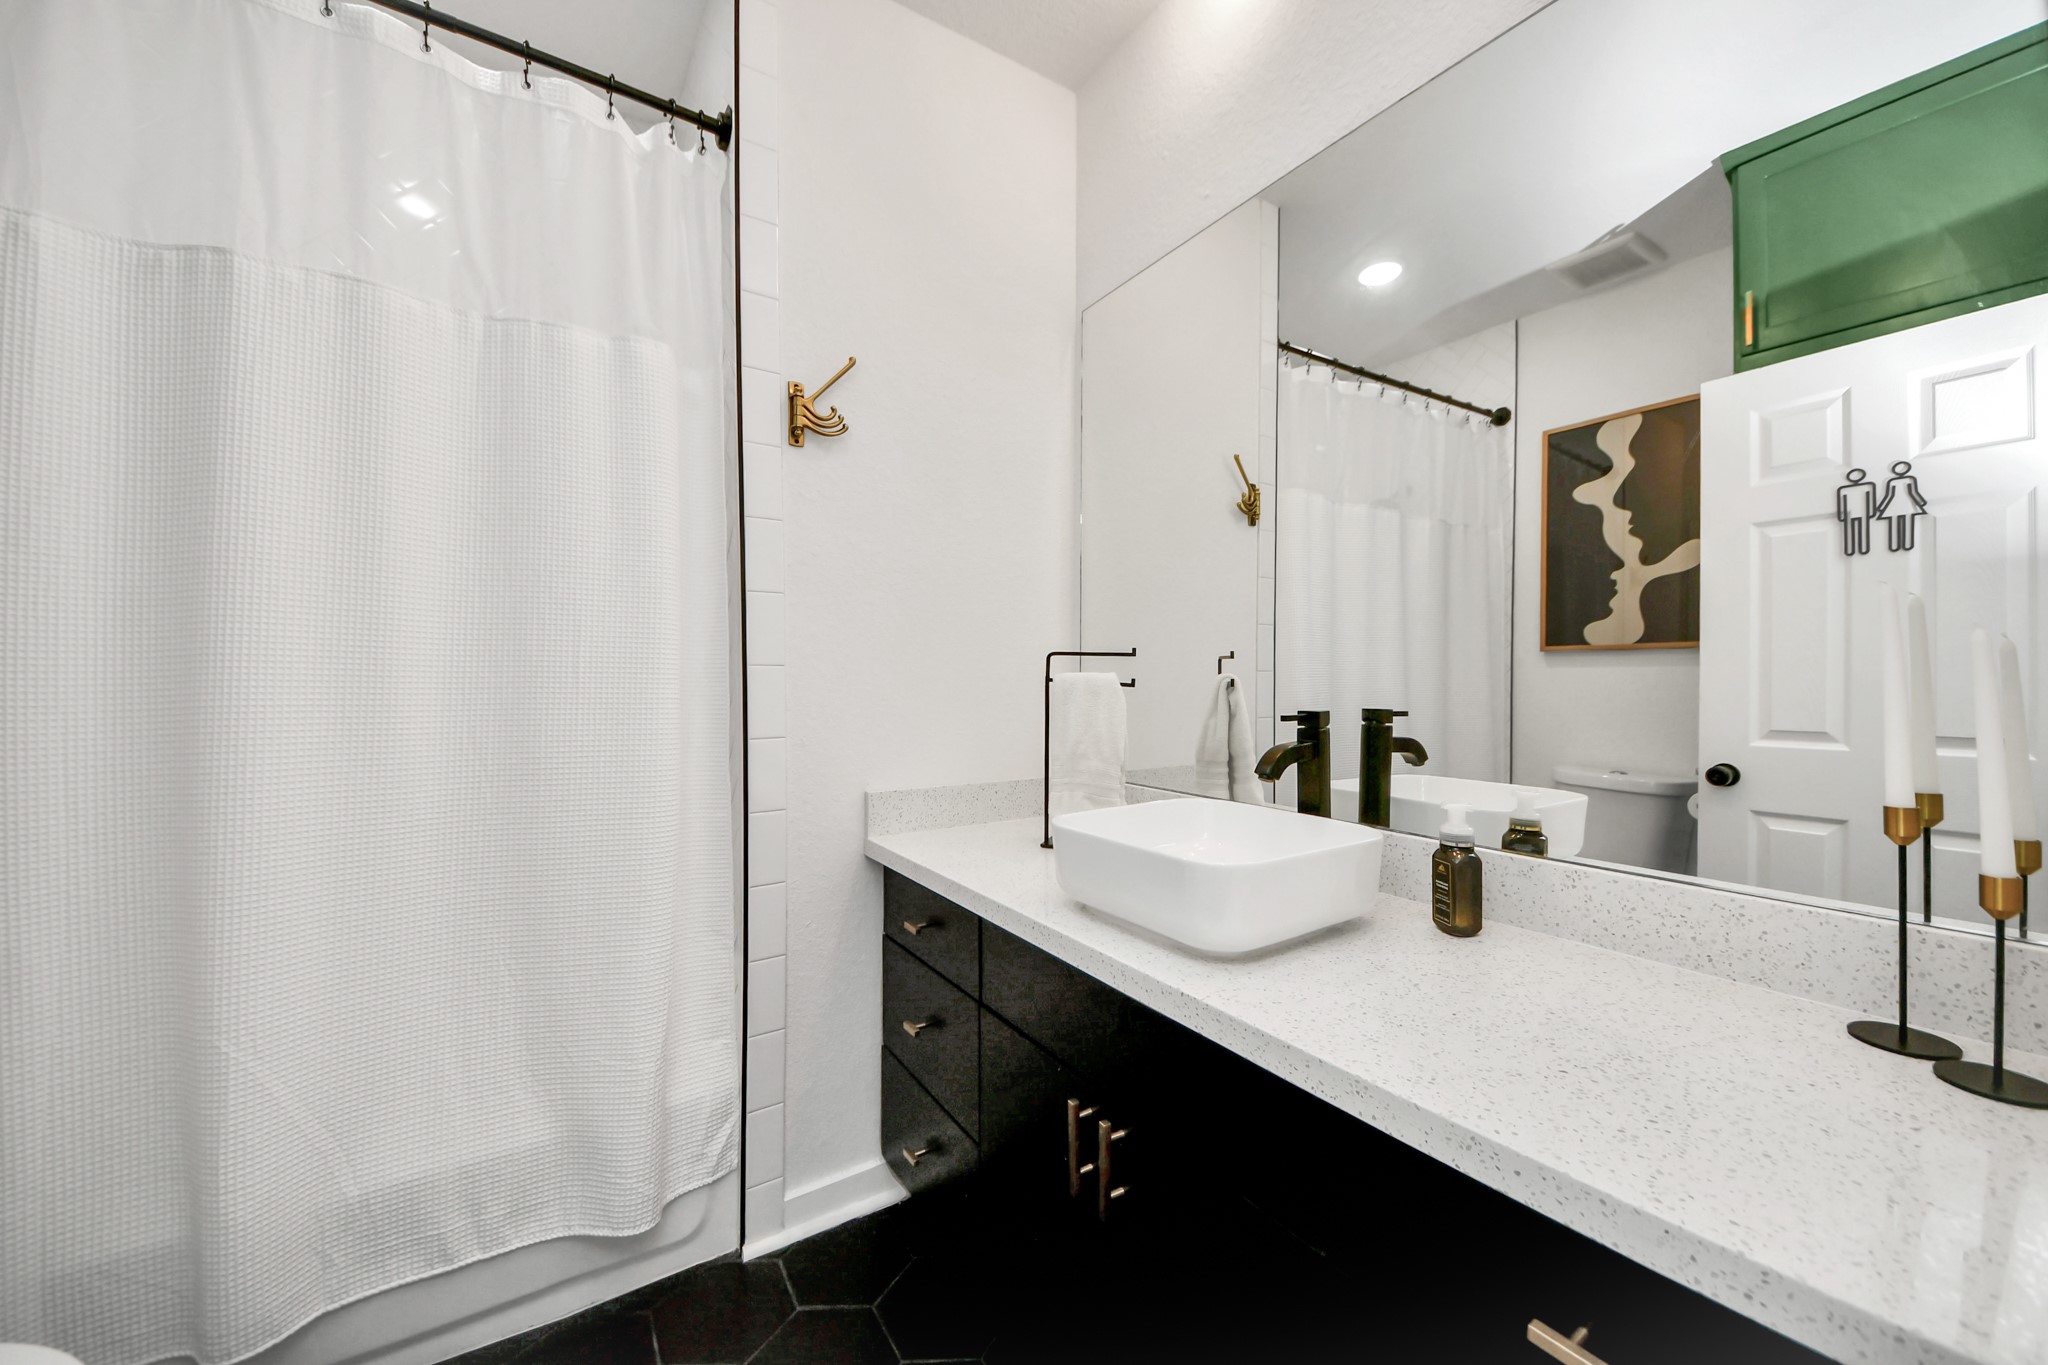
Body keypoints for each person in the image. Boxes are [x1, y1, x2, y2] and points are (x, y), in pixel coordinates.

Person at [1874, 460, 1927, 552]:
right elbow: (1888, 495)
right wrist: (1921, 502)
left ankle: (1904, 543)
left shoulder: (1906, 480)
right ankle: (1897, 544)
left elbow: (1913, 492)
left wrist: (1921, 502)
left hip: (1906, 504)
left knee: (1906, 521)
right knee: (1895, 523)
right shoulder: (1892, 481)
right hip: (1895, 504)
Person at [1837, 468, 1875, 556]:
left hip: (1862, 513)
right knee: (1852, 531)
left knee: (1862, 530)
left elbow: (1870, 503)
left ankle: (1862, 547)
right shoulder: (1845, 492)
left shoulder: (1865, 489)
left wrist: (1871, 513)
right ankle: (1853, 547)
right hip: (1852, 514)